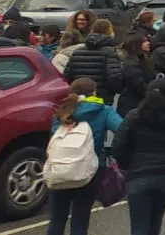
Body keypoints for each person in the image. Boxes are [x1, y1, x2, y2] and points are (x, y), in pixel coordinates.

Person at [114, 78, 165, 235]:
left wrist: (127, 166)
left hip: (138, 174)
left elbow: (119, 146)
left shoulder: (134, 116)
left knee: (139, 225)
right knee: (155, 223)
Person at [47, 78, 122, 235]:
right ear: (93, 92)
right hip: (91, 168)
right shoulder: (103, 110)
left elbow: (54, 135)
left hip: (60, 168)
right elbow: (121, 130)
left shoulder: (63, 110)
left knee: (57, 219)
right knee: (80, 215)